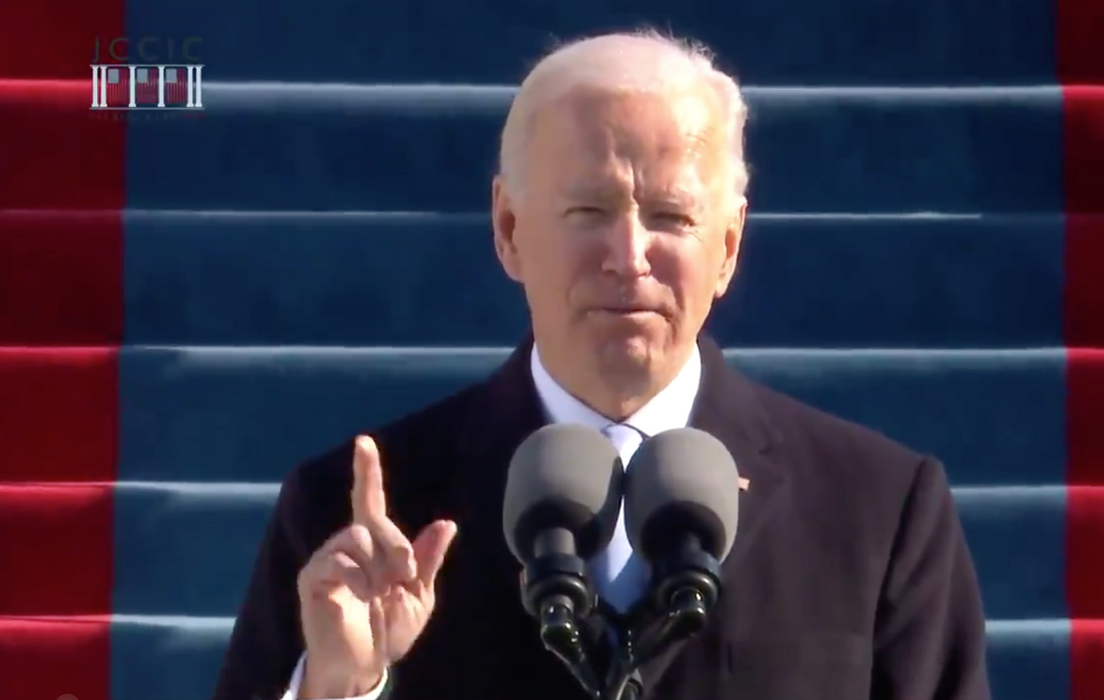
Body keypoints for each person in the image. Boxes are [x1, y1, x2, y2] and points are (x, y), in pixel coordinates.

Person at [212, 29, 992, 700]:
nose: (628, 258)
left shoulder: (878, 512)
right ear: (509, 228)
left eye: (671, 217)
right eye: (588, 211)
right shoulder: (357, 519)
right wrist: (341, 687)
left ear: (727, 246)